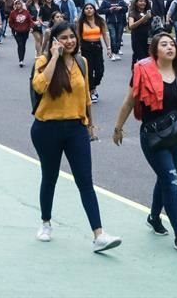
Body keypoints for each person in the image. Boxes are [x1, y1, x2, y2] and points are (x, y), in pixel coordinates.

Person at [31, 22, 122, 253]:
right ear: (55, 41)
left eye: (72, 37)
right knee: (49, 176)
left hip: (76, 129)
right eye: (64, 38)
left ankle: (99, 234)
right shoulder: (42, 62)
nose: (69, 41)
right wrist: (53, 57)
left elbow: (86, 97)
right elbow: (40, 86)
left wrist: (90, 124)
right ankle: (45, 222)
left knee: (85, 181)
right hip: (47, 129)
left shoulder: (82, 62)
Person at [113, 32, 177, 252]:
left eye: (172, 44)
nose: (170, 47)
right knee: (171, 180)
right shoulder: (143, 72)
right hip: (153, 136)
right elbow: (128, 102)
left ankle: (154, 217)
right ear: (155, 50)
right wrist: (118, 128)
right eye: (164, 45)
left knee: (165, 177)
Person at [76, 3, 112, 102]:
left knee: (100, 70)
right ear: (84, 11)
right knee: (89, 70)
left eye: (91, 8)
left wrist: (108, 48)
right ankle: (92, 90)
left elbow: (105, 34)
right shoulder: (80, 22)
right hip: (85, 47)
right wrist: (78, 49)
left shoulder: (100, 21)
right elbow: (78, 36)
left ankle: (93, 85)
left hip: (97, 47)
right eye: (86, 8)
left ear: (94, 10)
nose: (89, 10)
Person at [7, 0, 35, 67]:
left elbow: (30, 20)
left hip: (25, 31)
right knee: (20, 45)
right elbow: (10, 22)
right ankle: (21, 60)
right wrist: (14, 28)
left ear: (22, 4)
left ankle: (22, 58)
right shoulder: (13, 13)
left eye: (19, 4)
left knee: (23, 44)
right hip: (17, 32)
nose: (18, 5)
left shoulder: (26, 12)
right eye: (16, 4)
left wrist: (31, 27)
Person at [127, 0, 153, 65]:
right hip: (137, 39)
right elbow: (131, 26)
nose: (143, 3)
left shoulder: (149, 12)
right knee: (141, 58)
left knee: (149, 57)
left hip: (149, 38)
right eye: (140, 1)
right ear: (136, 3)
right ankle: (136, 72)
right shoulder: (133, 13)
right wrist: (143, 19)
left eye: (144, 1)